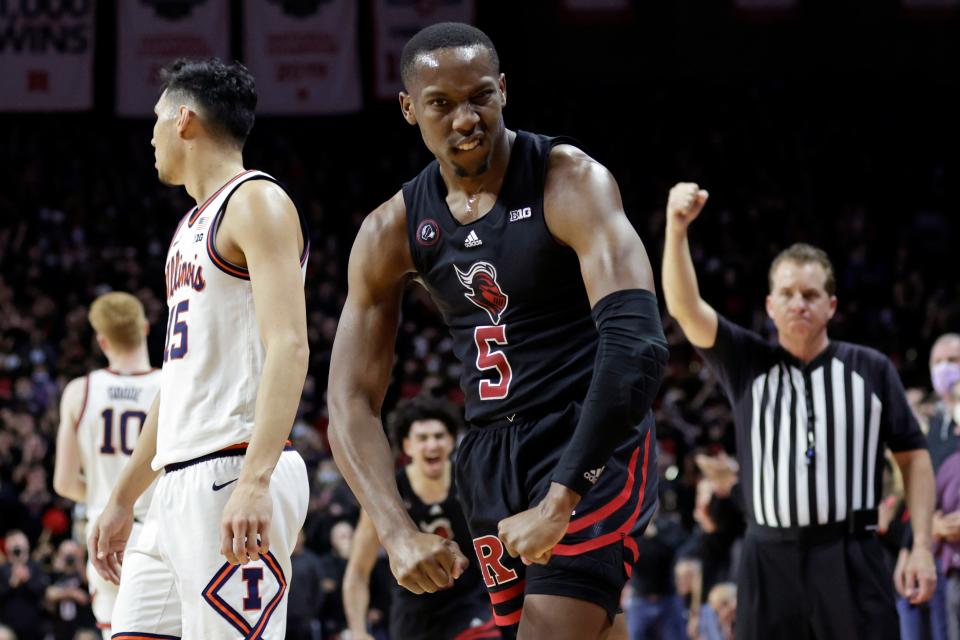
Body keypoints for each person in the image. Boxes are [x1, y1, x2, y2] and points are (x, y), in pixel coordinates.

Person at [327, 22, 668, 639]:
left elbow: (637, 344)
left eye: (480, 96)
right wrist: (396, 529)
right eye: (441, 103)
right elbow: (349, 401)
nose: (466, 119)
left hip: (587, 441)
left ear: (504, 91)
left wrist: (561, 498)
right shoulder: (391, 229)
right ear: (408, 109)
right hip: (488, 456)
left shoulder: (569, 181)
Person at [87, 57, 311, 639]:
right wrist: (122, 497)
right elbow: (178, 381)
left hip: (232, 469)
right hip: (174, 484)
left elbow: (289, 345)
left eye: (158, 118)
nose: (151, 134)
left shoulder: (256, 201)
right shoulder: (189, 226)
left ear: (185, 119)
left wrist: (256, 480)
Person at [661, 182, 937, 639]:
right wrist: (675, 229)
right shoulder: (747, 363)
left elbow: (914, 458)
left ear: (831, 305)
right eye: (787, 294)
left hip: (851, 553)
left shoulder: (869, 368)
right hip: (768, 557)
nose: (798, 304)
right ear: (770, 306)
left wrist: (922, 545)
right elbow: (685, 308)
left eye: (810, 295)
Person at [52, 291, 160, 638]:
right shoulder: (171, 385)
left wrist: (103, 491)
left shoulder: (79, 391)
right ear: (144, 328)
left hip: (106, 535)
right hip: (161, 529)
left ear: (102, 340)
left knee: (116, 632)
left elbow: (65, 484)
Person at [342, 396, 495, 640]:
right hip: (413, 615)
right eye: (422, 438)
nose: (432, 444)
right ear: (407, 446)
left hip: (469, 605)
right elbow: (358, 571)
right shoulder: (390, 495)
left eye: (439, 436)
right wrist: (359, 632)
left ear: (452, 441)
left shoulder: (470, 481)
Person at [0, 530, 48, 640]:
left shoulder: (36, 567)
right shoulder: (2, 570)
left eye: (19, 540)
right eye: (12, 541)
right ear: (7, 547)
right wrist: (11, 584)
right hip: (7, 628)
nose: (16, 544)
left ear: (27, 544)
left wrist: (27, 580)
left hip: (34, 628)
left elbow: (42, 591)